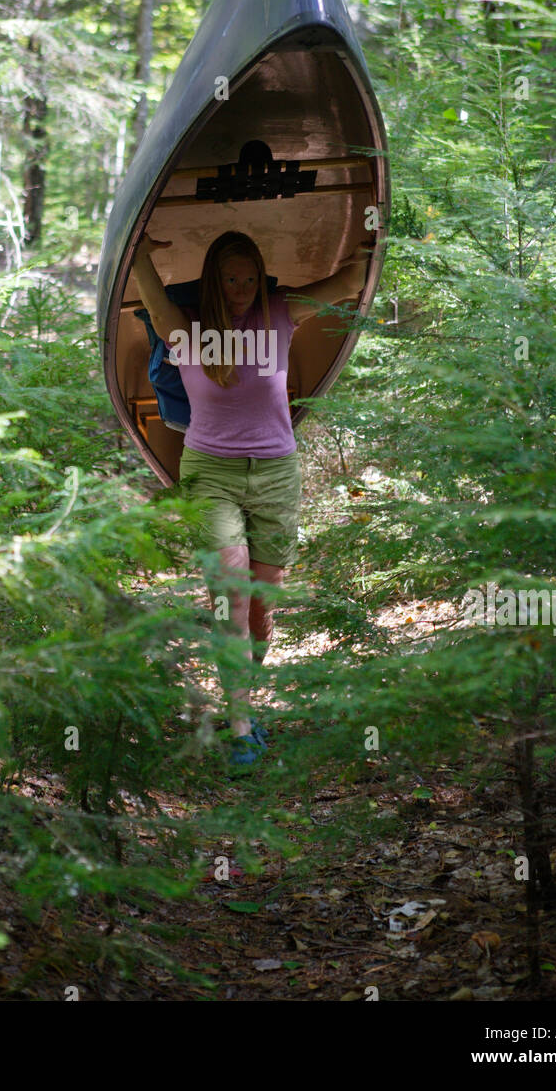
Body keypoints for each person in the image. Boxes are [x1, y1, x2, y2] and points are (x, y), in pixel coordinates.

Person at [132, 201, 368, 770]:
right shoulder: (186, 333)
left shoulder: (282, 313)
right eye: (228, 278)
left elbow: (353, 279)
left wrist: (378, 227)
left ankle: (245, 694)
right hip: (210, 473)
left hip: (276, 473)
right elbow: (149, 291)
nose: (239, 288)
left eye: (246, 277)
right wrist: (137, 248)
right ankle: (240, 725)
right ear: (214, 280)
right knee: (232, 593)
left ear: (259, 277)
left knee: (261, 606)